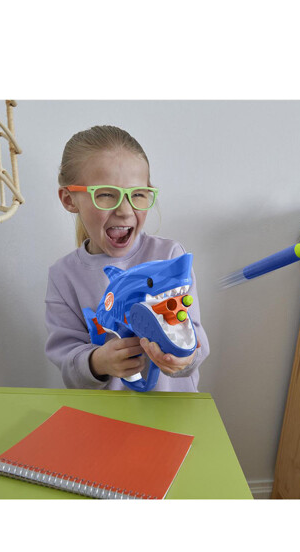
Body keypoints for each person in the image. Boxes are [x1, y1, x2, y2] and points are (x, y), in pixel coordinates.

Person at [45, 125, 209, 392]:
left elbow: (196, 345)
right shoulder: (63, 275)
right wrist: (98, 362)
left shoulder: (170, 258)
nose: (124, 210)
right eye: (105, 194)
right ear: (69, 199)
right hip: (104, 413)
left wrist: (184, 357)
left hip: (173, 410)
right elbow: (68, 366)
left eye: (137, 194)